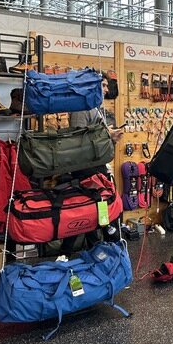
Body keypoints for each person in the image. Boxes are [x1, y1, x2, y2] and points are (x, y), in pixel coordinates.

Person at [60, 73, 123, 255]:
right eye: (103, 85)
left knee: (98, 211)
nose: (106, 89)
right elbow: (79, 140)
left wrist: (110, 135)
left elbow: (96, 134)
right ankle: (65, 255)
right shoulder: (81, 108)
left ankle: (95, 250)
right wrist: (107, 136)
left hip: (97, 167)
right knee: (92, 209)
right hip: (87, 170)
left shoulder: (93, 107)